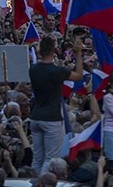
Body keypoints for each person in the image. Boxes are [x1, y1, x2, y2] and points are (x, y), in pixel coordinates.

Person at [29, 35, 84, 174]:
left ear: (40, 50)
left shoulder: (32, 70)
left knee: (37, 158)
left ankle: (33, 185)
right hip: (52, 119)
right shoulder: (57, 72)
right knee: (50, 158)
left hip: (35, 117)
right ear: (54, 51)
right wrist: (78, 54)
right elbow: (78, 75)